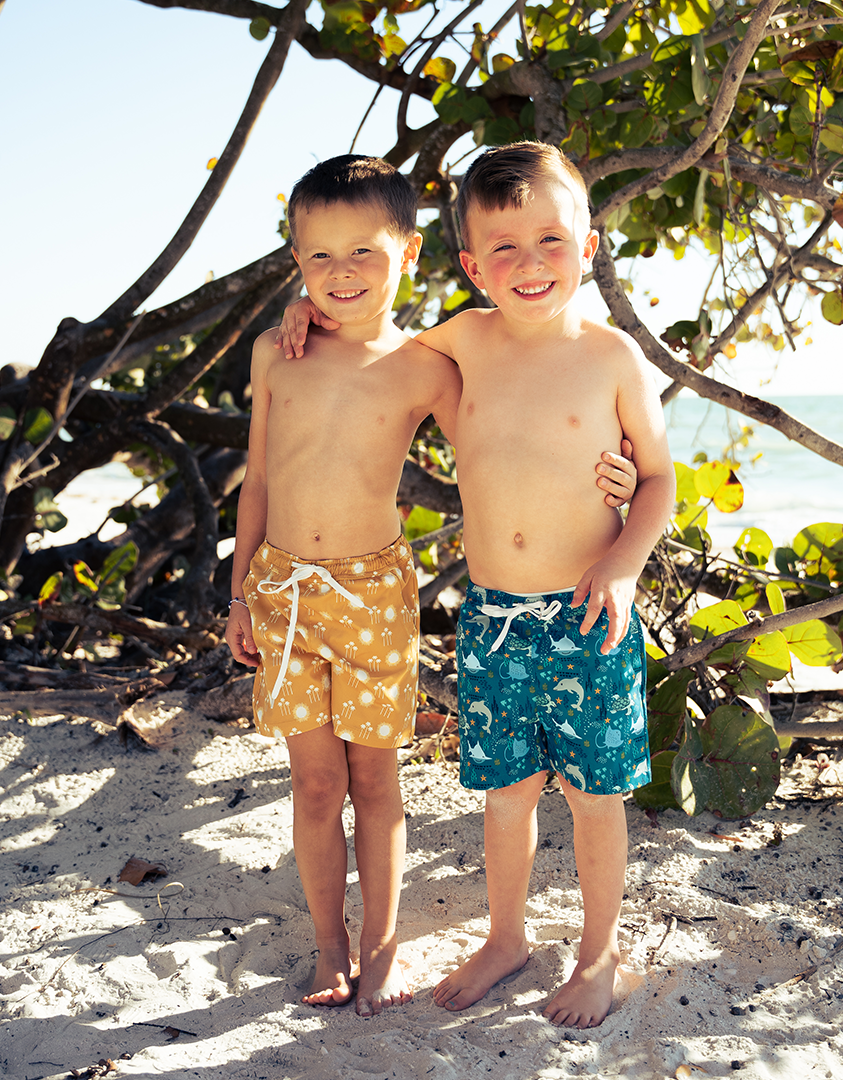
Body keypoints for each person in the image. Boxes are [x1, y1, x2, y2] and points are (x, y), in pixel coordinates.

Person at [226, 154, 637, 1019]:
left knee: (380, 784)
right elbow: (257, 482)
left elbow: (513, 432)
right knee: (314, 785)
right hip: (284, 593)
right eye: (317, 260)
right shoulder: (284, 349)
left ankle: (382, 950)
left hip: (379, 594)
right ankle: (333, 944)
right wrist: (235, 597)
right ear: (295, 264)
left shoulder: (430, 360)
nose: (341, 275)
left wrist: (625, 486)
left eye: (363, 254)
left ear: (410, 254)